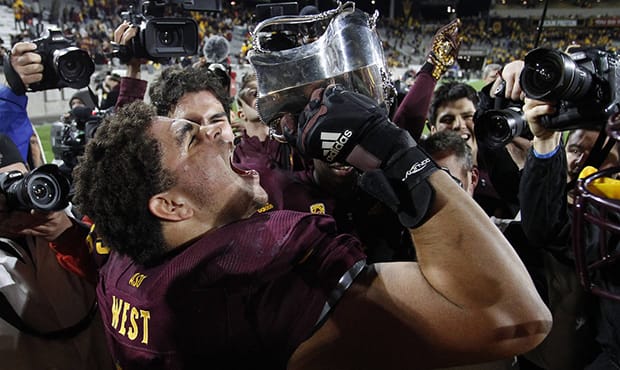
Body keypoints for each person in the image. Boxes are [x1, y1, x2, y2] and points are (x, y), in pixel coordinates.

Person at [70, 79, 551, 369]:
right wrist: (402, 156)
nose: (223, 137)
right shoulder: (259, 268)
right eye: (191, 139)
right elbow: (515, 321)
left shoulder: (126, 264)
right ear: (170, 206)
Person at [520, 95, 618, 370]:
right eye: (575, 150)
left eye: (600, 155)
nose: (582, 163)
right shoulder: (594, 230)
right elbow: (547, 228)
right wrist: (545, 140)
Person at [0, 134, 113, 370]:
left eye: (17, 180)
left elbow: (128, 280)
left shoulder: (80, 219)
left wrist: (67, 234)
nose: (12, 197)